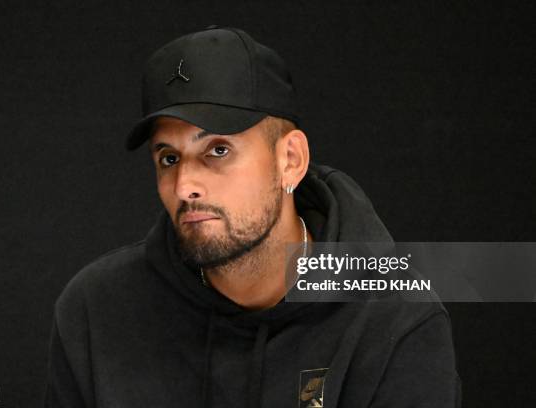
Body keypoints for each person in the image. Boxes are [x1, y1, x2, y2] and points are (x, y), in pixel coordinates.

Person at [44, 26, 461, 408]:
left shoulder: (395, 319)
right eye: (169, 158)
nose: (185, 184)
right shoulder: (95, 311)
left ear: (290, 161)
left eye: (218, 151)